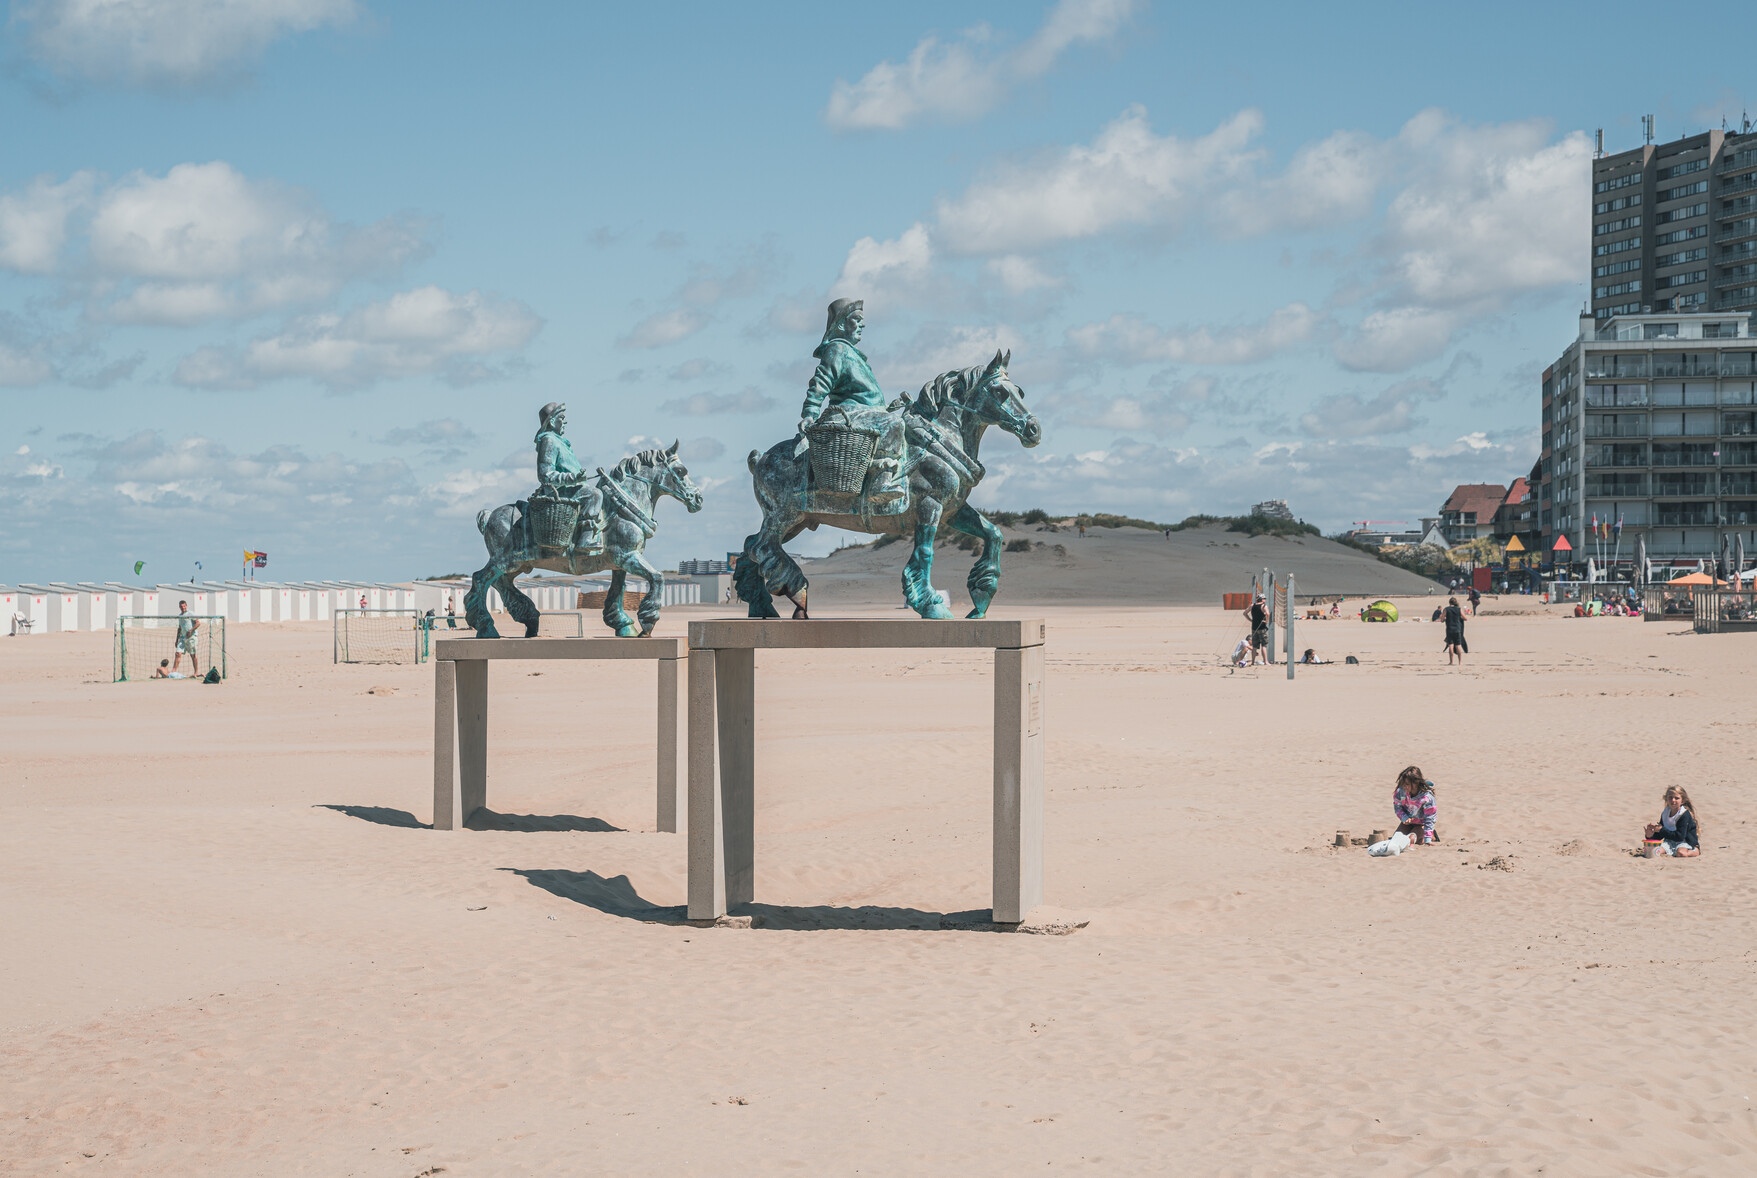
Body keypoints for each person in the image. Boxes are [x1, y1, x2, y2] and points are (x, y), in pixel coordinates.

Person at [1645, 787, 1701, 857]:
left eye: (1676, 798)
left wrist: (1661, 830)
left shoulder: (1684, 814)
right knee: (1654, 851)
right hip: (1669, 841)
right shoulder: (1665, 813)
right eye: (1670, 797)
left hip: (1684, 841)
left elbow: (1680, 836)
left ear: (1682, 801)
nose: (1673, 800)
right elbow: (1661, 835)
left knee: (1681, 853)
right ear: (1666, 799)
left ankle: (1695, 851)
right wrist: (1650, 835)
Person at [1392, 767, 1438, 844]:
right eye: (1403, 783)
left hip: (1422, 824)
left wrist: (1428, 839)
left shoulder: (1427, 797)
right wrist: (1404, 817)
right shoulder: (1401, 791)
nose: (1404, 786)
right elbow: (1397, 807)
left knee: (1411, 839)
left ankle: (1431, 835)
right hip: (1408, 822)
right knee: (1396, 839)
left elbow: (1429, 818)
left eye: (1406, 784)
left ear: (1415, 783)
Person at [171, 600, 200, 677]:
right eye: (181, 606)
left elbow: (198, 623)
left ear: (186, 606)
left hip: (191, 637)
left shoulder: (191, 613)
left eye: (184, 606)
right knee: (178, 653)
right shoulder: (180, 615)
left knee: (192, 655)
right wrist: (176, 640)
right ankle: (173, 671)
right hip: (182, 637)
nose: (183, 608)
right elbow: (180, 628)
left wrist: (191, 630)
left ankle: (196, 672)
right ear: (179, 607)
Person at [1443, 596, 1466, 665]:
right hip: (1457, 629)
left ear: (1449, 602)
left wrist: (1445, 618)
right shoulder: (1459, 609)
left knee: (1450, 645)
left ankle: (1451, 662)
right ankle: (1460, 662)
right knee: (1458, 645)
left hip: (1449, 629)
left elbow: (1441, 619)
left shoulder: (1446, 609)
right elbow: (1465, 618)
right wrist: (1459, 617)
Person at [1247, 594, 1268, 665]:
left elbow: (1244, 613)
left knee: (1254, 646)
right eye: (1264, 598)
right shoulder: (1264, 606)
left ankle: (1253, 661)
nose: (1265, 600)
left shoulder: (1252, 605)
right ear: (1262, 599)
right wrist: (1266, 621)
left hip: (1254, 628)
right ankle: (1265, 661)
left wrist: (1250, 620)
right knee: (1264, 645)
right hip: (1262, 627)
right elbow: (1268, 614)